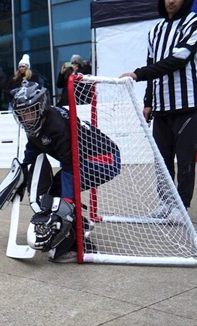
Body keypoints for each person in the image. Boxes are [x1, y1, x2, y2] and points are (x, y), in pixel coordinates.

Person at [120, 0, 197, 210]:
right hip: (161, 107)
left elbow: (179, 58)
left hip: (188, 105)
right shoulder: (155, 31)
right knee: (162, 161)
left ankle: (182, 207)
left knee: (185, 160)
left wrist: (138, 73)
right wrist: (148, 102)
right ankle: (166, 204)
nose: (171, 0)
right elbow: (153, 66)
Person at [7, 81, 121, 263]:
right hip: (83, 161)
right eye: (21, 114)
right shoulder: (37, 122)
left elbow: (70, 169)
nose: (25, 118)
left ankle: (81, 246)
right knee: (54, 194)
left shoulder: (57, 127)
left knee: (59, 198)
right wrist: (21, 176)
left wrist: (66, 204)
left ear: (41, 106)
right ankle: (79, 227)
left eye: (29, 112)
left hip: (104, 159)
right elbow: (32, 150)